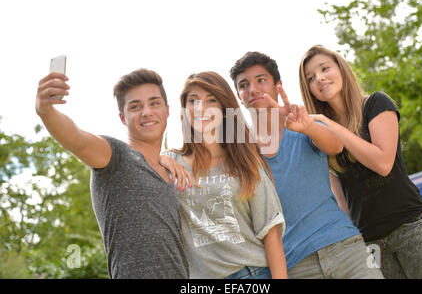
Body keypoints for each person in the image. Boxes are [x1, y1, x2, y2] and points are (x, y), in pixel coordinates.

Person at [298, 45, 422, 279]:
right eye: (310, 78)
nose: (319, 78)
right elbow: (341, 199)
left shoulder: (376, 104)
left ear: (340, 68)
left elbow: (383, 163)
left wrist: (333, 127)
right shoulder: (323, 136)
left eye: (325, 68)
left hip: (409, 227)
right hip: (370, 241)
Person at [229, 51, 384, 279]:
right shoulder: (242, 156)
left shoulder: (303, 125)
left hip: (346, 248)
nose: (252, 89)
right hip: (296, 265)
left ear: (277, 85)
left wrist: (306, 126)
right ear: (238, 96)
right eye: (243, 85)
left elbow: (336, 145)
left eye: (260, 80)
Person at [35, 68, 189, 279]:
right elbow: (77, 139)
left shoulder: (170, 170)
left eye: (154, 103)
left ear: (167, 110)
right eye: (135, 106)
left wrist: (163, 158)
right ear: (123, 117)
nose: (146, 112)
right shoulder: (115, 155)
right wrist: (46, 110)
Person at [162, 71, 287, 279]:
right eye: (193, 100)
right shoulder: (170, 163)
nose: (201, 108)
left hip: (251, 274)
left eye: (211, 100)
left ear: (224, 109)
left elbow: (270, 230)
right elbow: (135, 161)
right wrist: (161, 159)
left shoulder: (245, 162)